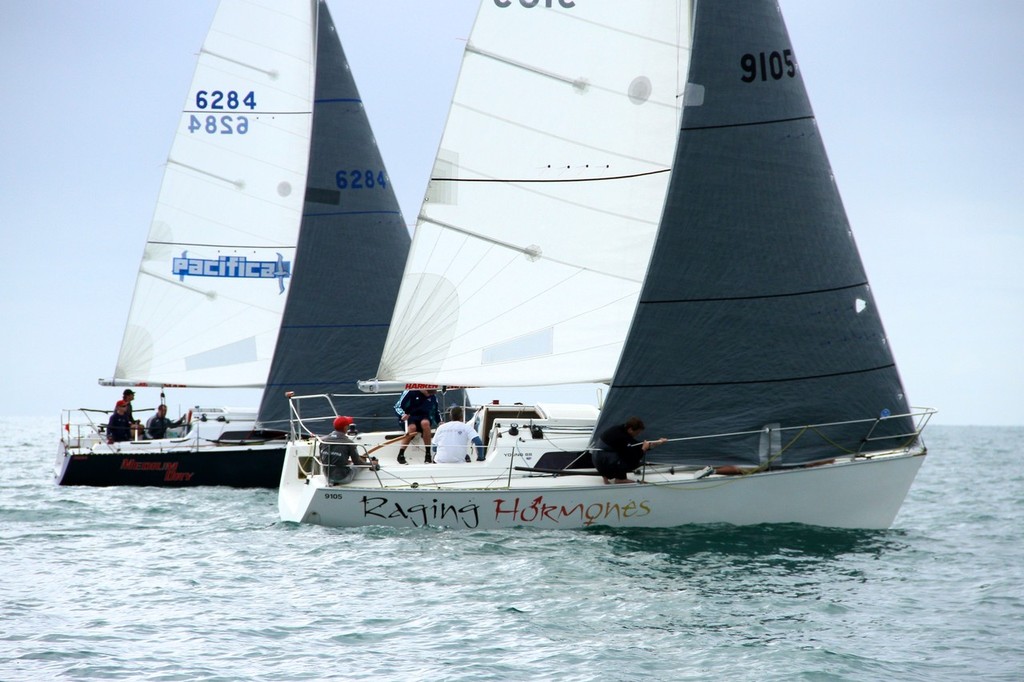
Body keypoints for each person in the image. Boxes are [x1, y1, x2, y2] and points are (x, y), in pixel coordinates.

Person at [592, 416, 667, 484]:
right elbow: (632, 456)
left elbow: (635, 445)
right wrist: (644, 449)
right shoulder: (622, 437)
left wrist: (657, 443)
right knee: (634, 462)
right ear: (631, 429)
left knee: (622, 455)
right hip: (603, 462)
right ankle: (620, 479)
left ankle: (605, 476)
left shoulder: (619, 430)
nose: (638, 435)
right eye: (637, 432)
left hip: (597, 459)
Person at [320, 415, 377, 485]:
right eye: (348, 425)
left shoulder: (323, 440)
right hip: (343, 478)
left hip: (327, 477)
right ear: (345, 428)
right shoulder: (349, 443)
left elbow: (323, 459)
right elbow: (358, 463)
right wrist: (371, 464)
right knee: (357, 466)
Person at [395, 388, 441, 464]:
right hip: (409, 416)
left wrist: (439, 422)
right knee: (412, 428)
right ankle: (401, 454)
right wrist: (402, 414)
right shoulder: (410, 392)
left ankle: (428, 454)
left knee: (425, 423)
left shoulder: (432, 396)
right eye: (428, 392)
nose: (429, 395)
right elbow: (397, 407)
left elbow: (436, 411)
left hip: (424, 416)